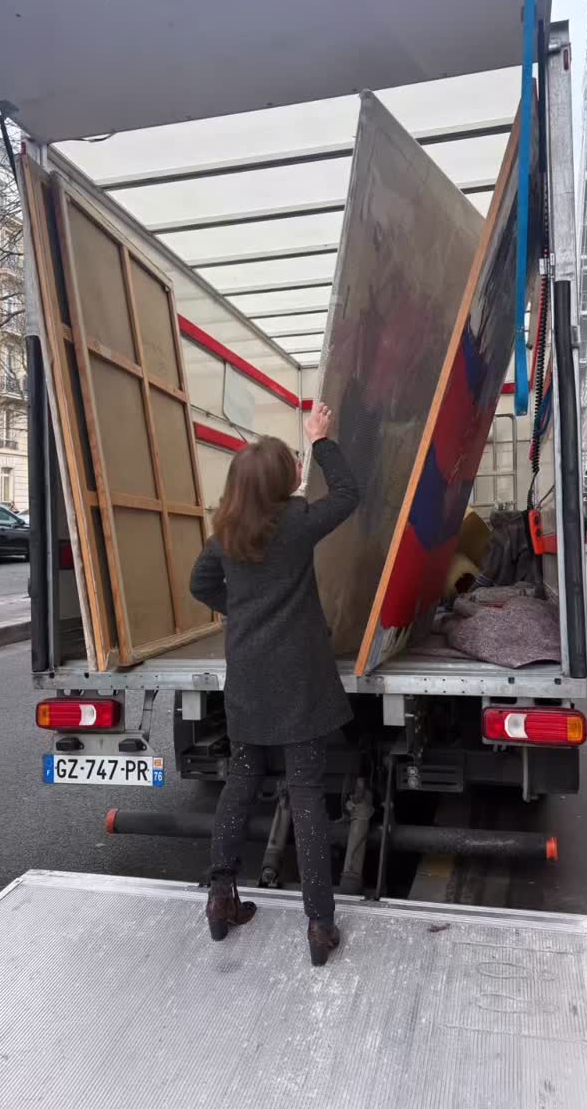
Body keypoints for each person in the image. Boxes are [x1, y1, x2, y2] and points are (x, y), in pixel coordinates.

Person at [190, 403, 359, 966]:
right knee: (306, 795)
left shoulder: (224, 535)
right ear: (284, 482)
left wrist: (239, 609)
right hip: (301, 680)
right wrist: (321, 440)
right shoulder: (298, 522)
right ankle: (319, 925)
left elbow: (200, 584)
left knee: (240, 783)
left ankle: (220, 899)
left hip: (248, 678)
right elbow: (348, 494)